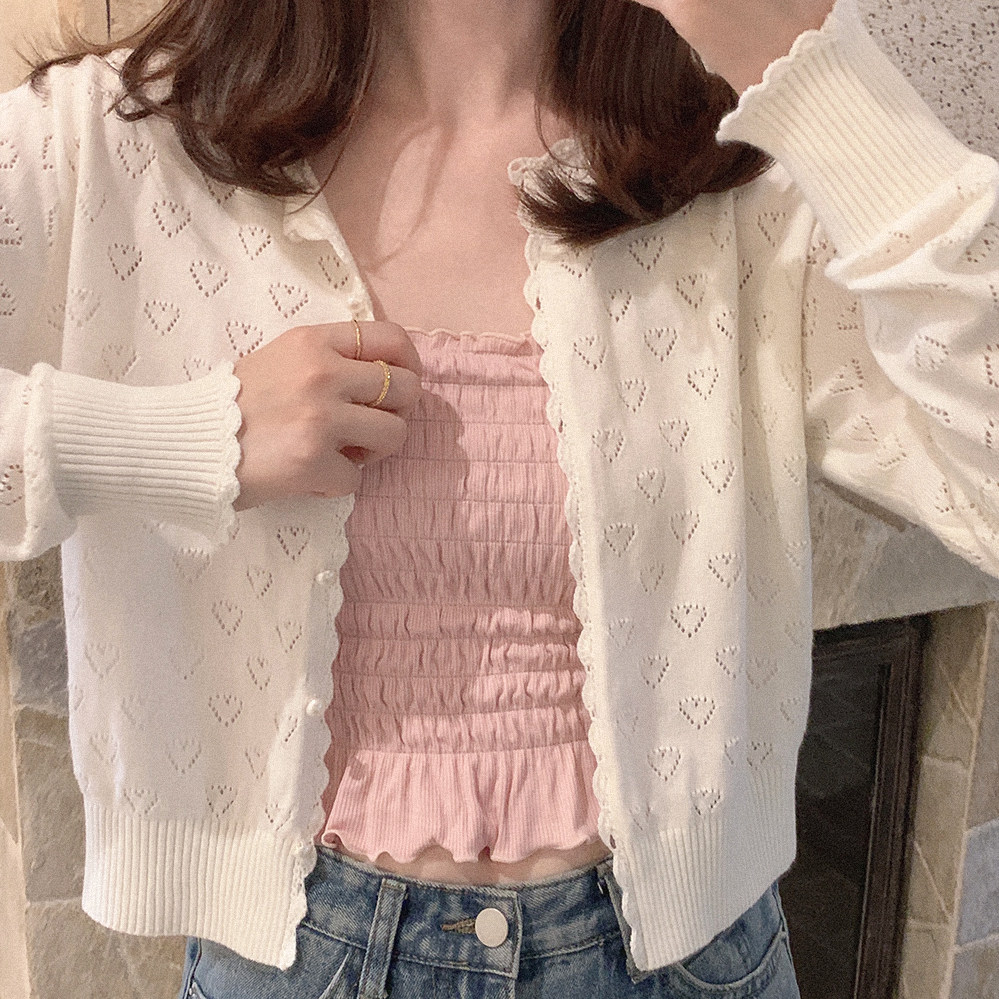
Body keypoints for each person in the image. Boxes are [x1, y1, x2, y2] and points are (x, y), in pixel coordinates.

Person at [1, 0, 997, 995]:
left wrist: (816, 78)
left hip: (689, 960)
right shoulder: (114, 137)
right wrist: (190, 437)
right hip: (304, 958)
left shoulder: (736, 165)